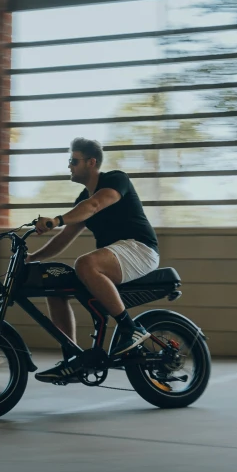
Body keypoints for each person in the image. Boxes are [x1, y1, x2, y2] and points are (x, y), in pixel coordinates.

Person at [26, 137, 160, 382]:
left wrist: (56, 219)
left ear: (91, 162)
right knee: (54, 288)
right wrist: (33, 257)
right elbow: (63, 238)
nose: (69, 166)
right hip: (118, 256)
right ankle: (73, 358)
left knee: (85, 263)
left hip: (141, 249)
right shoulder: (81, 201)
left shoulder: (115, 180)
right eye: (69, 161)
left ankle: (131, 329)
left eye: (73, 161)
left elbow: (95, 204)